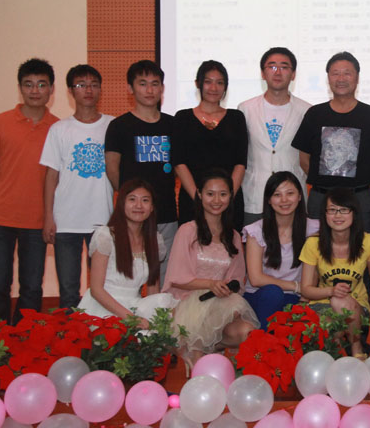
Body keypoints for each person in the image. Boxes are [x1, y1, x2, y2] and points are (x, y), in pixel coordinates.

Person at [163, 169, 258, 368]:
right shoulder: (187, 231)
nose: (216, 200)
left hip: (219, 303)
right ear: (199, 194)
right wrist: (210, 284)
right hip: (187, 302)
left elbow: (237, 280)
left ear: (230, 196)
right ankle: (197, 363)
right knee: (198, 329)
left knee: (247, 331)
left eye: (223, 194)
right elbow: (177, 278)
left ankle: (211, 347)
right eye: (210, 194)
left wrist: (225, 289)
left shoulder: (233, 236)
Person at [40, 64, 114, 311]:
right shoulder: (59, 129)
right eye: (81, 85)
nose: (88, 90)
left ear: (100, 89)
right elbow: (51, 176)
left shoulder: (112, 126)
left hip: (102, 221)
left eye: (93, 85)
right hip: (66, 222)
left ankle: (101, 335)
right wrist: (48, 217)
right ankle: (69, 334)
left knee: (103, 290)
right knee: (69, 292)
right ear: (71, 91)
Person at [292, 51, 370, 234]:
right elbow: (304, 159)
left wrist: (361, 183)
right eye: (335, 73)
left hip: (359, 198)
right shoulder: (315, 114)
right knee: (317, 248)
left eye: (347, 73)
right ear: (328, 78)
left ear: (357, 77)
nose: (341, 78)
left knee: (363, 248)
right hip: (321, 198)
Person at [0, 58, 58, 324]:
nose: (35, 90)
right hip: (0, 219)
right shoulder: (1, 123)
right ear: (20, 88)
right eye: (28, 84)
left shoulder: (58, 128)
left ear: (51, 89)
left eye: (41, 84)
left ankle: (24, 339)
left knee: (32, 288)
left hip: (37, 222)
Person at [105, 60, 177, 278]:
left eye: (155, 84)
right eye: (143, 84)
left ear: (162, 88)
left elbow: (180, 167)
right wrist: (130, 199)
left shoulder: (173, 125)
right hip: (132, 215)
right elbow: (112, 168)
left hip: (166, 213)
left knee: (164, 276)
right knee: (128, 274)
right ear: (130, 88)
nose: (149, 90)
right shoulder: (118, 126)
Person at [78, 179, 177, 326]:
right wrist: (133, 319)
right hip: (103, 308)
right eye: (132, 199)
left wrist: (154, 319)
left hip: (135, 307)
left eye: (145, 200)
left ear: (151, 208)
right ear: (121, 203)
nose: (139, 205)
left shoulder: (154, 240)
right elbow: (96, 290)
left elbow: (152, 290)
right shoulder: (105, 236)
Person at [299, 188, 370, 359]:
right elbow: (306, 289)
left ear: (354, 213)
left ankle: (356, 346)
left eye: (344, 210)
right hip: (321, 305)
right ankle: (339, 354)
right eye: (332, 210)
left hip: (356, 307)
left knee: (340, 301)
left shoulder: (368, 242)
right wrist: (331, 291)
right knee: (331, 326)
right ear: (324, 214)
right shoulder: (313, 243)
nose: (337, 215)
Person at [172, 60, 247, 231]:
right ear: (198, 83)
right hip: (192, 201)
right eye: (208, 82)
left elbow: (240, 163)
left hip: (229, 204)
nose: (214, 88)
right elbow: (179, 163)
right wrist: (199, 200)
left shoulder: (236, 118)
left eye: (220, 83)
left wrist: (226, 198)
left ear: (226, 87)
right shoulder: (182, 118)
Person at [239, 47, 310, 226]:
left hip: (292, 199)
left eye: (284, 67)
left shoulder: (307, 110)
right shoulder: (245, 108)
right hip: (255, 197)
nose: (278, 72)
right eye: (272, 66)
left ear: (293, 74)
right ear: (263, 73)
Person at [243, 171, 318, 328]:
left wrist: (305, 294)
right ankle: (264, 341)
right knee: (273, 293)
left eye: (290, 193)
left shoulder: (314, 228)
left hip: (297, 297)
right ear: (269, 200)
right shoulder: (256, 231)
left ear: (299, 196)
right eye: (277, 195)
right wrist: (297, 286)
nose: (284, 200)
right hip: (261, 296)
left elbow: (316, 270)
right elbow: (256, 279)